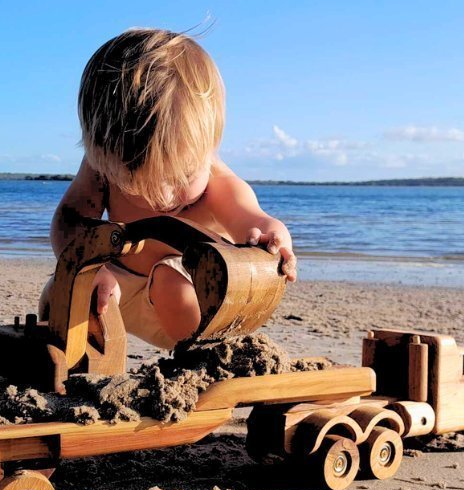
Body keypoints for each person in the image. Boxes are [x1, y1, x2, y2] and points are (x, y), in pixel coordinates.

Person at [41, 28, 296, 349]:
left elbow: (251, 219)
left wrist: (274, 238)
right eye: (138, 181)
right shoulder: (101, 166)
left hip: (195, 306)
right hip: (116, 286)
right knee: (60, 292)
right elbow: (68, 221)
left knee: (170, 281)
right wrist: (92, 271)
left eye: (180, 177)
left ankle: (200, 356)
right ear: (105, 155)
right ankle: (70, 367)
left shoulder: (215, 178)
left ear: (206, 149)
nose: (162, 196)